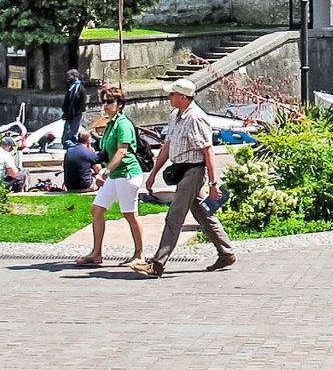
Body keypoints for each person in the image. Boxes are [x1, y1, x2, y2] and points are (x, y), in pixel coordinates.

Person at [143, 78, 235, 277]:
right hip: (181, 170)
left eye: (172, 94)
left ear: (183, 97)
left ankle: (157, 264)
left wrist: (213, 183)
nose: (169, 97)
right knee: (204, 213)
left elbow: (208, 151)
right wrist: (153, 174)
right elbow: (167, 146)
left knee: (174, 216)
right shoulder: (175, 115)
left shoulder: (197, 118)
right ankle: (226, 252)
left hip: (194, 172)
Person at [81, 87, 149, 269]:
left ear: (120, 105)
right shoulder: (110, 123)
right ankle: (96, 253)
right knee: (96, 209)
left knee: (130, 214)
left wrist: (105, 171)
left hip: (127, 173)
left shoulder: (123, 124)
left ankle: (139, 254)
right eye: (104, 101)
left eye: (110, 102)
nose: (106, 105)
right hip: (115, 174)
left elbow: (122, 150)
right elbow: (107, 150)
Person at [61, 127, 101, 193]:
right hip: (84, 187)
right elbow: (98, 169)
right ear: (88, 141)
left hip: (69, 187)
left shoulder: (69, 151)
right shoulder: (89, 152)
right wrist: (92, 152)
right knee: (101, 173)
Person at [61, 68, 88, 147]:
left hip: (75, 114)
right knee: (69, 135)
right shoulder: (71, 87)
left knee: (68, 137)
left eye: (69, 76)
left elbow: (82, 102)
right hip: (70, 115)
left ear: (75, 76)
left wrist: (76, 112)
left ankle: (74, 148)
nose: (68, 79)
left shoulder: (80, 88)